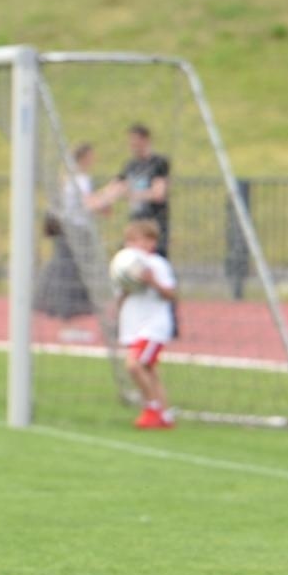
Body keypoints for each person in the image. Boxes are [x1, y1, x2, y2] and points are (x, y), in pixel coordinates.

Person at [114, 219, 179, 429]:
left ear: (152, 243)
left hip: (153, 327)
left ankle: (152, 409)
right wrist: (127, 285)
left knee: (134, 365)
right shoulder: (123, 266)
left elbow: (170, 294)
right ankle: (166, 416)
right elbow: (119, 299)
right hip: (134, 326)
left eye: (141, 241)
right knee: (150, 371)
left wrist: (152, 281)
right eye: (131, 241)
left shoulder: (158, 265)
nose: (135, 246)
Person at [35, 141, 109, 323]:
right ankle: (67, 317)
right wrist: (111, 194)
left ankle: (63, 315)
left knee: (62, 271)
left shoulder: (67, 179)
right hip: (75, 232)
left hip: (67, 231)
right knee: (70, 274)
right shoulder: (79, 180)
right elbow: (89, 204)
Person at [107, 123, 171, 258]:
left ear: (145, 140)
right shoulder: (130, 165)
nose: (132, 145)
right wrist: (100, 201)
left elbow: (158, 193)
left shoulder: (158, 163)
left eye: (135, 141)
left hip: (152, 223)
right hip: (135, 224)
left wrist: (132, 195)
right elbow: (114, 187)